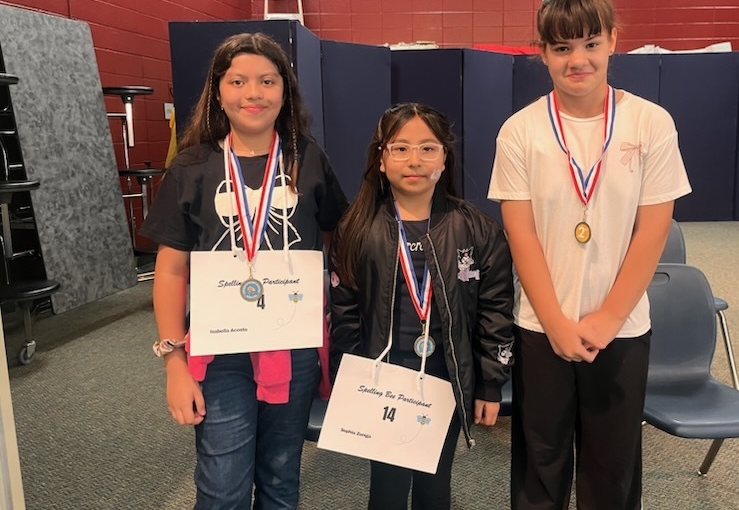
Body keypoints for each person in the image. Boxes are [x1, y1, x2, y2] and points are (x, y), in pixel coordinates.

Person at [488, 0, 692, 509]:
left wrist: (607, 317)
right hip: (541, 326)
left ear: (613, 42)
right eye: (561, 48)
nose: (577, 59)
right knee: (542, 462)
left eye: (590, 43)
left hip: (620, 327)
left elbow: (653, 231)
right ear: (543, 53)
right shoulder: (520, 131)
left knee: (612, 467)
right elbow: (522, 232)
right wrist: (555, 321)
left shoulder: (651, 123)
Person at [140, 32, 348, 510]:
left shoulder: (307, 159)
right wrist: (174, 362)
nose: (253, 94)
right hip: (219, 353)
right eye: (237, 81)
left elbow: (334, 242)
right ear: (217, 91)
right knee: (222, 486)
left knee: (280, 478)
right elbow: (171, 272)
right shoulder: (192, 166)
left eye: (267, 81)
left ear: (285, 91)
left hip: (292, 347)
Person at [329, 103, 515, 510]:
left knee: (435, 482)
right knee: (388, 488)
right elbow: (344, 313)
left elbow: (496, 312)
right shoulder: (356, 228)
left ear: (445, 157)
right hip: (383, 380)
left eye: (428, 148)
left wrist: (489, 382)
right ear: (381, 160)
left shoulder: (478, 229)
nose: (414, 160)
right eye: (400, 149)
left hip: (445, 378)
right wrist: (349, 383)